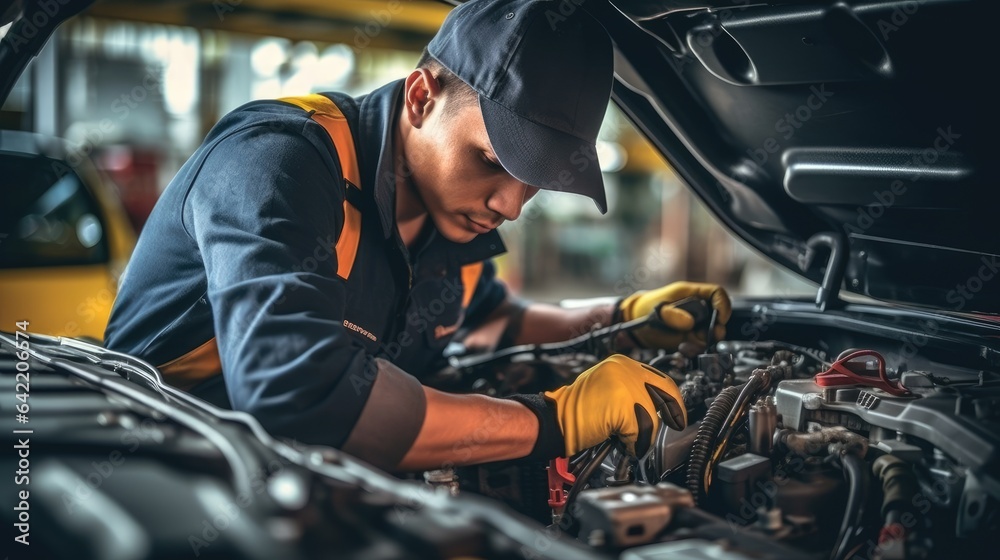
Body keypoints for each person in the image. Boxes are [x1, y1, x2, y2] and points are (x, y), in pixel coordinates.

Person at [104, 0, 731, 472]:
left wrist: (623, 317)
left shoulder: (448, 214)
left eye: (535, 180)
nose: (511, 205)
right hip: (156, 468)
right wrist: (554, 420)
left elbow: (495, 321)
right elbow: (295, 393)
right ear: (421, 96)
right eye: (494, 161)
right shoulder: (280, 163)